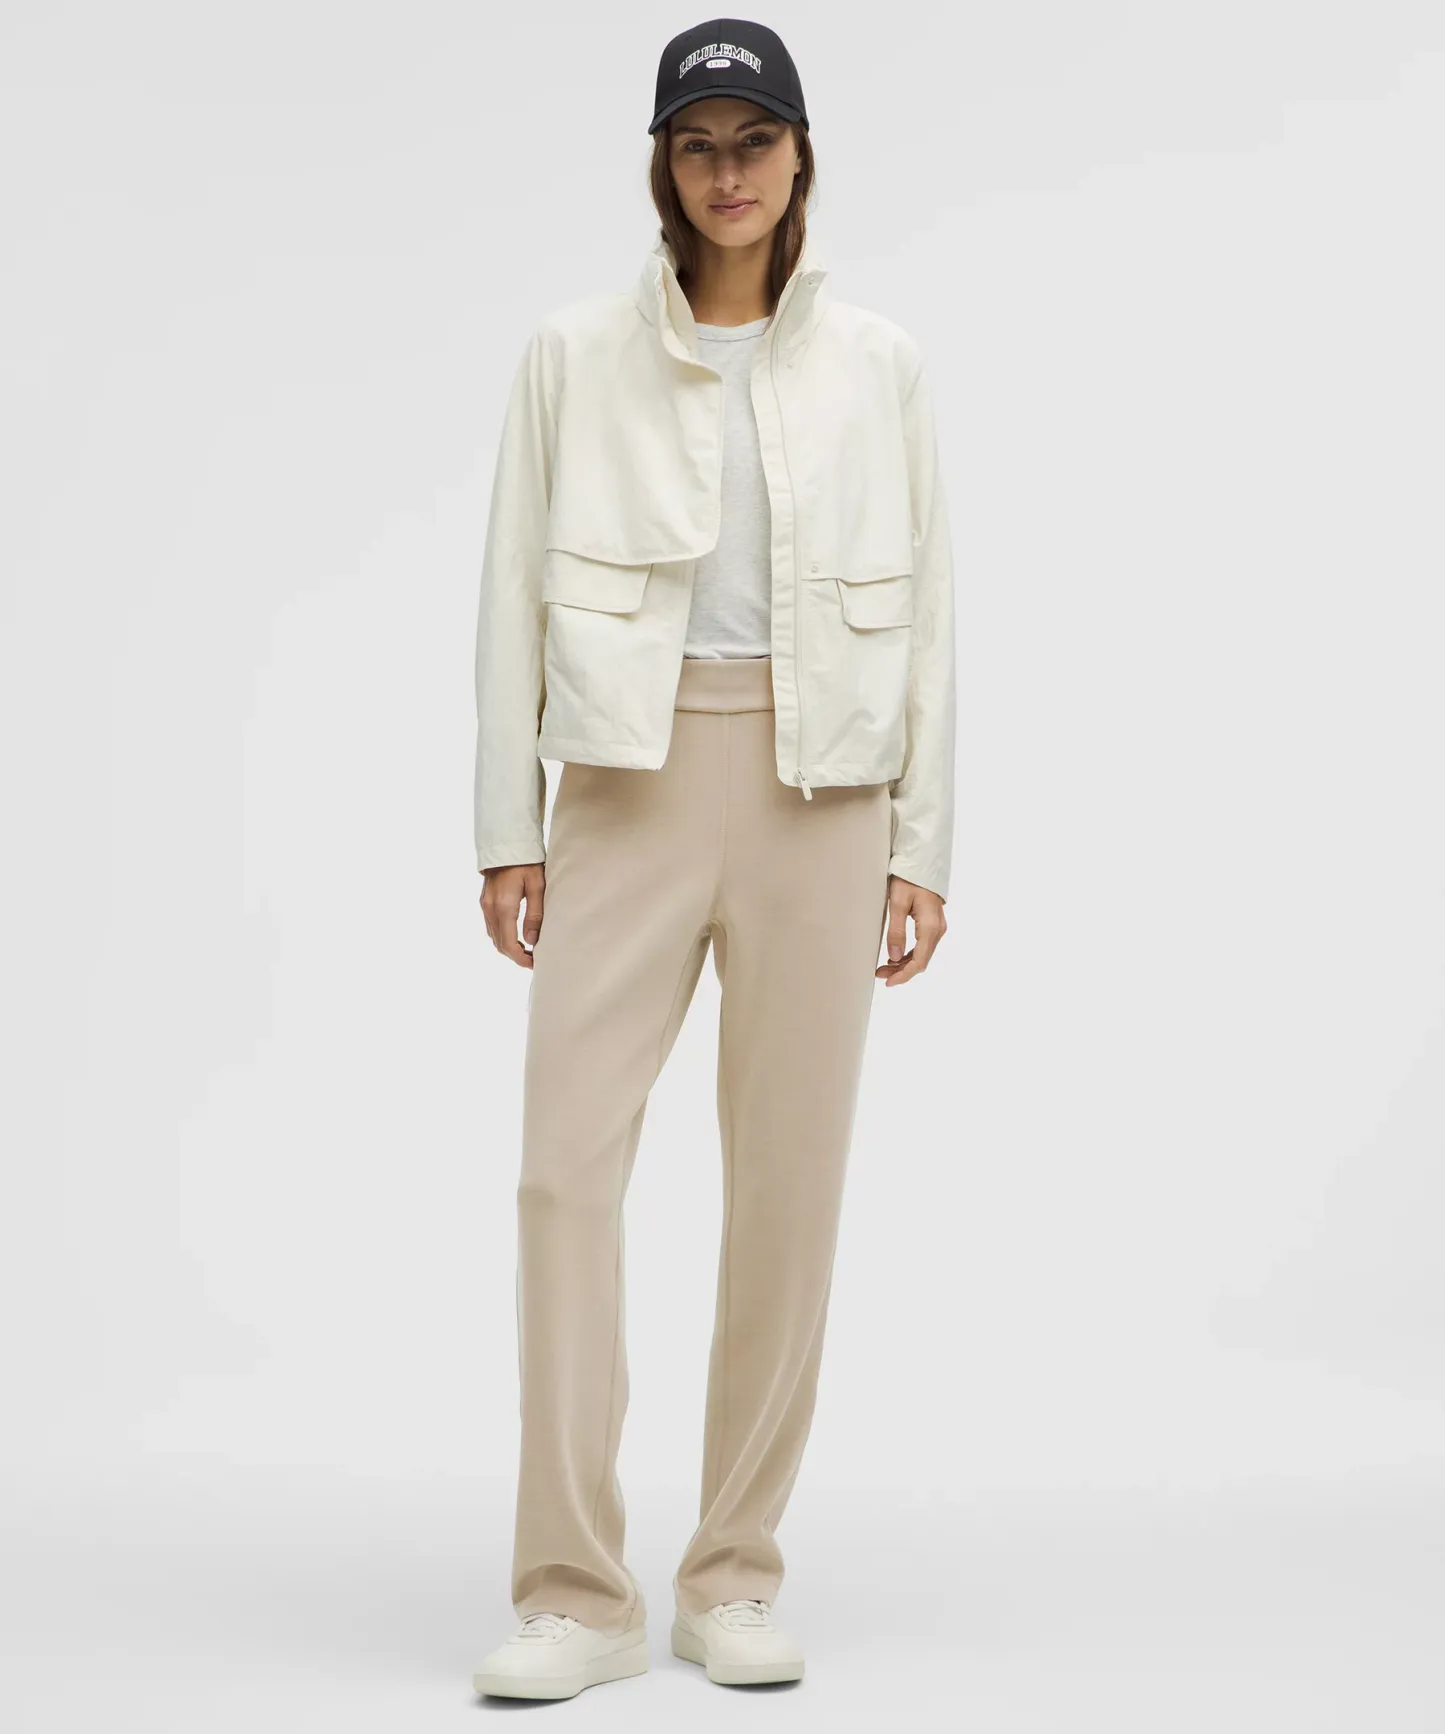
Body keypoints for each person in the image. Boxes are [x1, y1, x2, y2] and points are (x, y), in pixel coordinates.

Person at [470, 15, 956, 1701]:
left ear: (802, 157)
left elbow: (937, 613)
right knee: (562, 1175)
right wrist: (506, 823)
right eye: (699, 144)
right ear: (663, 168)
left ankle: (733, 1570)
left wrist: (921, 841)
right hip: (626, 777)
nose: (728, 171)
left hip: (828, 791)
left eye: (756, 140)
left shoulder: (881, 363)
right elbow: (506, 589)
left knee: (787, 1191)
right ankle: (574, 1588)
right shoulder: (571, 352)